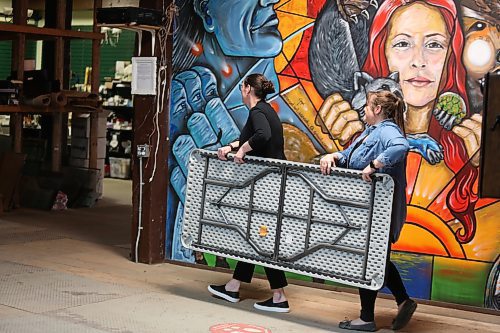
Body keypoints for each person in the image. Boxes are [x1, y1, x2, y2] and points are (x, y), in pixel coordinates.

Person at [318, 0, 481, 244]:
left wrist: (481, 162)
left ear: (451, 55)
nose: (419, 61)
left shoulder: (462, 145)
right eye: (403, 44)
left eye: (434, 44)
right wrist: (331, 153)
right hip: (371, 222)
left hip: (383, 222)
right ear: (381, 52)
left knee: (380, 267)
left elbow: (399, 146)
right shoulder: (366, 129)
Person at [320, 89, 416, 331]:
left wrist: (375, 165)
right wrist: (334, 156)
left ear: (377, 110)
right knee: (376, 259)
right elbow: (351, 156)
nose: (362, 109)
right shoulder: (371, 132)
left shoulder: (387, 130)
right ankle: (402, 301)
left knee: (369, 260)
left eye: (367, 105)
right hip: (367, 210)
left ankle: (367, 318)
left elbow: (400, 147)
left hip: (377, 211)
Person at [208, 73, 290, 313]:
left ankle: (278, 297)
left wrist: (242, 151)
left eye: (242, 86)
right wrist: (233, 146)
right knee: (256, 237)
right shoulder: (265, 110)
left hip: (267, 185)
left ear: (246, 89)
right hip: (269, 184)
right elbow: (255, 136)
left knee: (260, 238)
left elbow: (262, 136)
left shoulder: (257, 113)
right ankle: (235, 287)